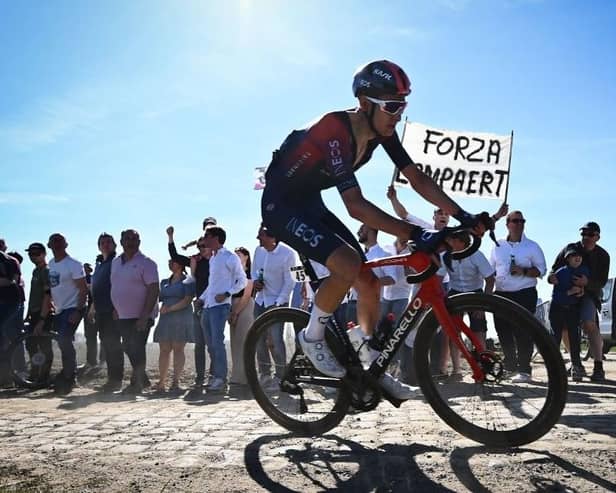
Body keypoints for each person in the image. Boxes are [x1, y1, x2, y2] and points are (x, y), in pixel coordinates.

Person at [259, 59, 489, 400]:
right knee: (348, 264)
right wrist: (414, 233)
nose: (398, 115)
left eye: (404, 105)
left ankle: (369, 363)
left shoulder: (382, 131)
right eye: (393, 106)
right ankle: (311, 338)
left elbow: (416, 178)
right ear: (365, 104)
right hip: (281, 205)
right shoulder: (334, 130)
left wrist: (463, 215)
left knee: (366, 279)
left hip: (309, 202)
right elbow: (355, 205)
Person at [489, 211, 546, 383]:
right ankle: (510, 367)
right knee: (503, 331)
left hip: (524, 293)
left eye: (522, 221)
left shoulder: (532, 247)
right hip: (501, 293)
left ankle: (524, 370)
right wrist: (487, 293)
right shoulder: (497, 245)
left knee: (523, 331)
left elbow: (542, 270)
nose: (519, 224)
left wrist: (524, 271)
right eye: (515, 221)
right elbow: (491, 271)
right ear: (507, 224)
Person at [549, 221, 610, 382]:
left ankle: (598, 366)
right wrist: (553, 278)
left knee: (589, 324)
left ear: (597, 237)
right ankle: (576, 363)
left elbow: (602, 281)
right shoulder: (571, 249)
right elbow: (555, 269)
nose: (586, 237)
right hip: (566, 295)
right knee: (564, 329)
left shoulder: (603, 256)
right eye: (583, 234)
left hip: (589, 295)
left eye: (590, 234)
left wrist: (586, 284)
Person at [110, 229, 159, 395]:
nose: (130, 241)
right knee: (128, 347)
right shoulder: (115, 263)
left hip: (142, 315)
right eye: (127, 238)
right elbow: (115, 286)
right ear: (121, 241)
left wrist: (145, 315)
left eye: (134, 239)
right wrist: (116, 308)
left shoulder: (147, 263)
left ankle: (136, 383)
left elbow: (153, 289)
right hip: (122, 315)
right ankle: (142, 379)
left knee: (137, 346)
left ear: (139, 242)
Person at [198, 225, 247, 392]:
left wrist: (227, 293)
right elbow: (212, 285)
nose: (204, 239)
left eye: (207, 236)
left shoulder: (230, 257)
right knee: (210, 343)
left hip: (220, 307)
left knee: (217, 342)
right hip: (208, 305)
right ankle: (216, 376)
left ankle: (221, 378)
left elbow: (242, 281)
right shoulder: (213, 258)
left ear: (216, 238)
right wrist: (202, 298)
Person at [167, 226, 211, 397]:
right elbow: (175, 257)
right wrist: (171, 238)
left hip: (214, 306)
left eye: (204, 245)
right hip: (199, 306)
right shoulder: (196, 262)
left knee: (213, 345)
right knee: (199, 345)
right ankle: (200, 378)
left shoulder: (216, 261)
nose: (201, 248)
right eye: (199, 246)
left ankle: (215, 377)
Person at [252, 224, 297, 388]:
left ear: (272, 237)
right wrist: (256, 281)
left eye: (261, 235)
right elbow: (254, 271)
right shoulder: (258, 251)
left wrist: (278, 303)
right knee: (258, 339)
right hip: (260, 301)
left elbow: (290, 281)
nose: (258, 239)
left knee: (276, 340)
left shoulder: (288, 254)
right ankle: (265, 374)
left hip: (278, 302)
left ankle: (281, 376)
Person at [47, 233, 88, 395]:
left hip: (73, 307)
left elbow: (83, 289)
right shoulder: (51, 264)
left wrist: (78, 310)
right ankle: (67, 375)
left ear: (66, 244)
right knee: (63, 342)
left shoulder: (73, 264)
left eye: (59, 241)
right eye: (53, 242)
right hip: (59, 309)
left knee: (64, 339)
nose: (56, 244)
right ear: (49, 245)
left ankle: (70, 376)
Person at [153, 253, 195, 394]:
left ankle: (176, 382)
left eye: (174, 261)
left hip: (181, 317)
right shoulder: (164, 282)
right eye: (169, 261)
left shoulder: (188, 281)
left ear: (181, 264)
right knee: (164, 349)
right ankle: (161, 382)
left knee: (178, 348)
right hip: (165, 319)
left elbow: (188, 299)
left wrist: (170, 308)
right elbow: (157, 298)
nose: (170, 263)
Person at [548, 245, 588, 381]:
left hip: (572, 309)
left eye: (579, 256)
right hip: (557, 308)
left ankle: (576, 367)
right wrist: (570, 292)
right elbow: (556, 295)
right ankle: (554, 369)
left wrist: (582, 290)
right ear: (567, 259)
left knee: (574, 338)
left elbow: (586, 287)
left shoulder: (584, 271)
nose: (577, 258)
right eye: (573, 256)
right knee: (556, 338)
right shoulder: (561, 272)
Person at [89, 233, 122, 392]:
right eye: (103, 242)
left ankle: (116, 381)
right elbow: (97, 288)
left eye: (109, 242)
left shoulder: (116, 262)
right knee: (107, 345)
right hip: (101, 310)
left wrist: (117, 307)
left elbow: (118, 285)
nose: (106, 244)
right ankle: (112, 380)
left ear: (115, 245)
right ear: (99, 246)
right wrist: (92, 308)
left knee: (113, 346)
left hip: (112, 310)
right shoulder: (101, 264)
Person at [23, 243, 53, 384]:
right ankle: (34, 374)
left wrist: (42, 319)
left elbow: (48, 295)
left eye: (36, 253)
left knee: (44, 346)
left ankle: (44, 378)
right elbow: (33, 294)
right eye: (30, 253)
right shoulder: (36, 271)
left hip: (44, 313)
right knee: (31, 345)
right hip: (34, 313)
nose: (33, 256)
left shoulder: (46, 271)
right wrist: (29, 314)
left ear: (44, 254)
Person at [229, 247, 254, 385]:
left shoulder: (249, 274)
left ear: (246, 257)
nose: (236, 257)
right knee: (234, 342)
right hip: (232, 306)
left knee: (243, 340)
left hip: (245, 307)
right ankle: (236, 376)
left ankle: (245, 376)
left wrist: (236, 312)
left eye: (238, 255)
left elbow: (246, 295)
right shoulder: (233, 275)